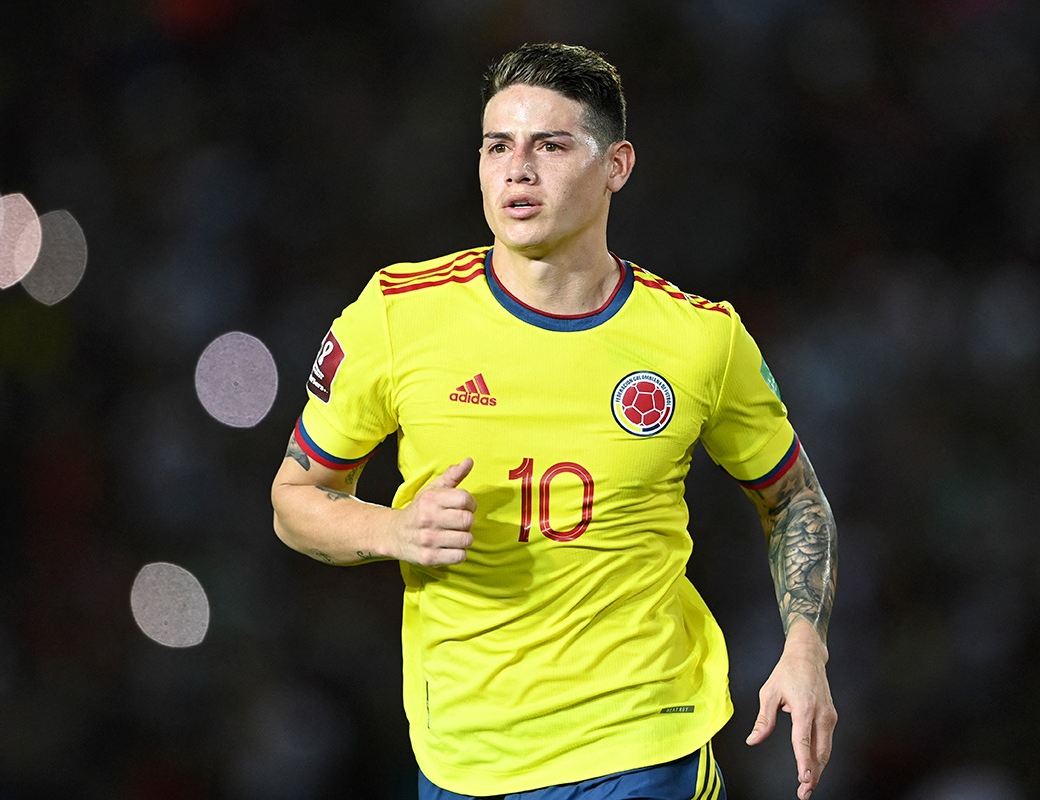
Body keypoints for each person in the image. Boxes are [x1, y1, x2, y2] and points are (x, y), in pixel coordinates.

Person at [271, 42, 838, 800]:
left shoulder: (702, 338)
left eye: (550, 145)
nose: (518, 170)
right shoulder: (396, 316)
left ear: (616, 166)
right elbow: (294, 500)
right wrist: (393, 530)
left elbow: (793, 497)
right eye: (497, 146)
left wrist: (806, 646)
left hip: (645, 744)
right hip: (467, 757)